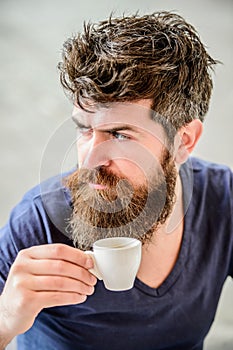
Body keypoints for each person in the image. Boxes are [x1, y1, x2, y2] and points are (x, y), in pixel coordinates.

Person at [0, 11, 232, 350]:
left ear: (184, 142)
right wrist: (6, 317)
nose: (89, 160)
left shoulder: (223, 202)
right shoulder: (37, 223)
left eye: (120, 134)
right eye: (84, 129)